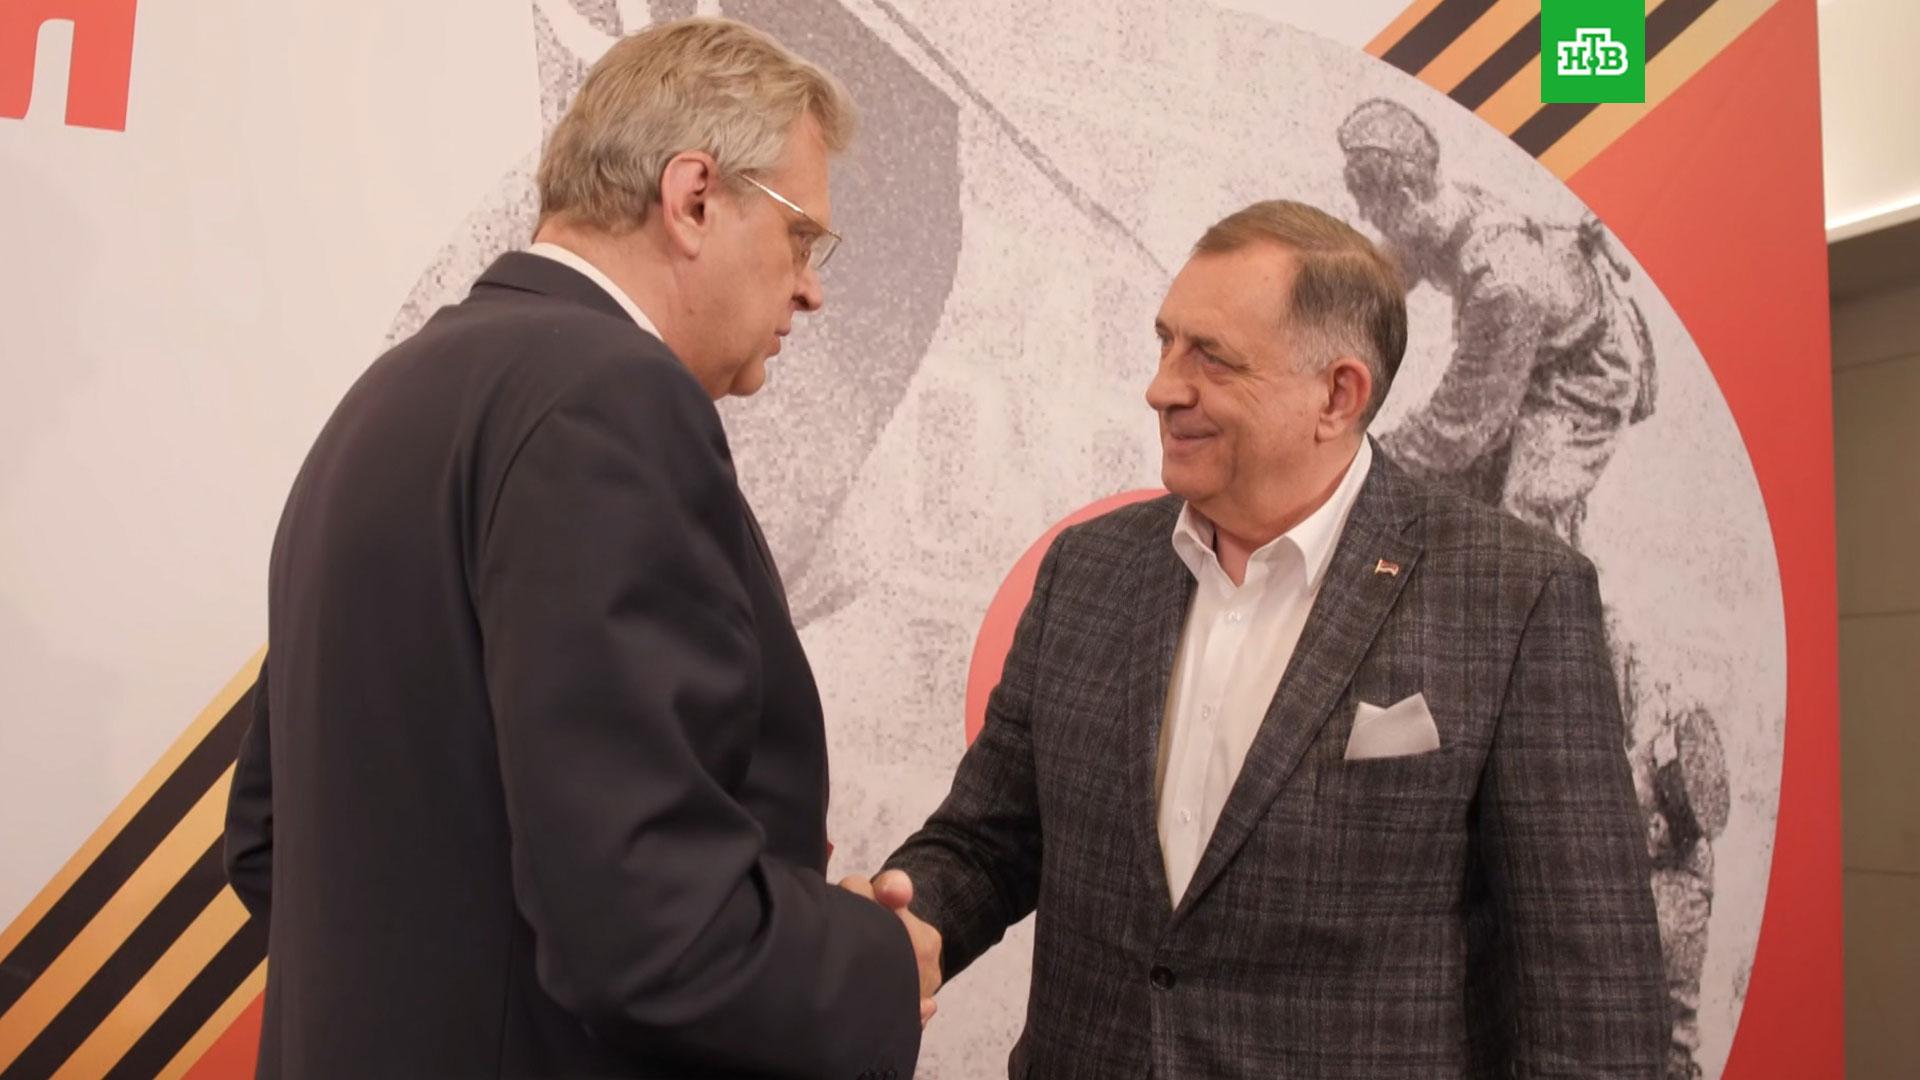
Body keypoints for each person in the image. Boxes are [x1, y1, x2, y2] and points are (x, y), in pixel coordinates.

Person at [223, 17, 932, 1079]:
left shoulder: (386, 397)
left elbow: (268, 840)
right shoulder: (613, 401)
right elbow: (648, 926)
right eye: (802, 240)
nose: (811, 289)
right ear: (694, 198)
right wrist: (872, 962)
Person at [873, 200, 1668, 1078]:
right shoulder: (1087, 570)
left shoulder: (1515, 596)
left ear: (1337, 395)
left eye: (1210, 357)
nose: (1162, 387)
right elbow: (991, 839)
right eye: (1166, 343)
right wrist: (901, 924)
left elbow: (1593, 1007)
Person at [1338, 97, 1656, 548]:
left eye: (1371, 209)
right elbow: (1383, 275)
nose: (1365, 219)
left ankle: (1571, 587)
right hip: (1526, 343)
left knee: (1526, 522)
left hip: (1582, 376)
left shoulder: (1502, 284)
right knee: (1463, 489)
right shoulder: (1437, 213)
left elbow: (1457, 428)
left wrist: (1363, 469)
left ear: (1404, 199)